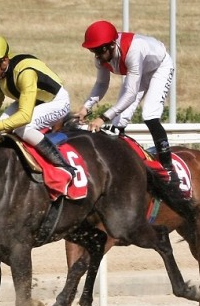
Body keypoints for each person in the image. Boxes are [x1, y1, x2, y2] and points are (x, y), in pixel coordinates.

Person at [76, 19, 178, 184]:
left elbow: (130, 94)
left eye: (99, 51)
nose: (97, 56)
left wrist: (102, 118)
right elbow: (101, 84)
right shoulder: (102, 56)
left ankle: (169, 170)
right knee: (119, 121)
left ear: (110, 45)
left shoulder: (133, 51)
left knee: (149, 114)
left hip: (160, 68)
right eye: (93, 51)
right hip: (139, 72)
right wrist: (85, 107)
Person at [0, 33, 76, 185]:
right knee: (1, 126)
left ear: (5, 60)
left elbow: (25, 117)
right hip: (34, 100)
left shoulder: (25, 72)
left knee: (23, 129)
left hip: (57, 102)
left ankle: (64, 166)